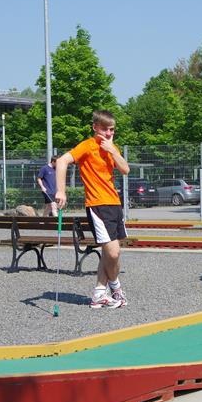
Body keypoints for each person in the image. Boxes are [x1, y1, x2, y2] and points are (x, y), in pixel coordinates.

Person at [55, 110, 130, 308]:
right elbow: (62, 161)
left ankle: (99, 292)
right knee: (113, 253)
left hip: (114, 204)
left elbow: (125, 169)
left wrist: (113, 150)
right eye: (104, 129)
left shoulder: (112, 147)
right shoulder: (87, 145)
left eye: (111, 130)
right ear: (95, 127)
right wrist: (61, 191)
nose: (108, 133)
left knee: (110, 251)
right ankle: (115, 287)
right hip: (97, 204)